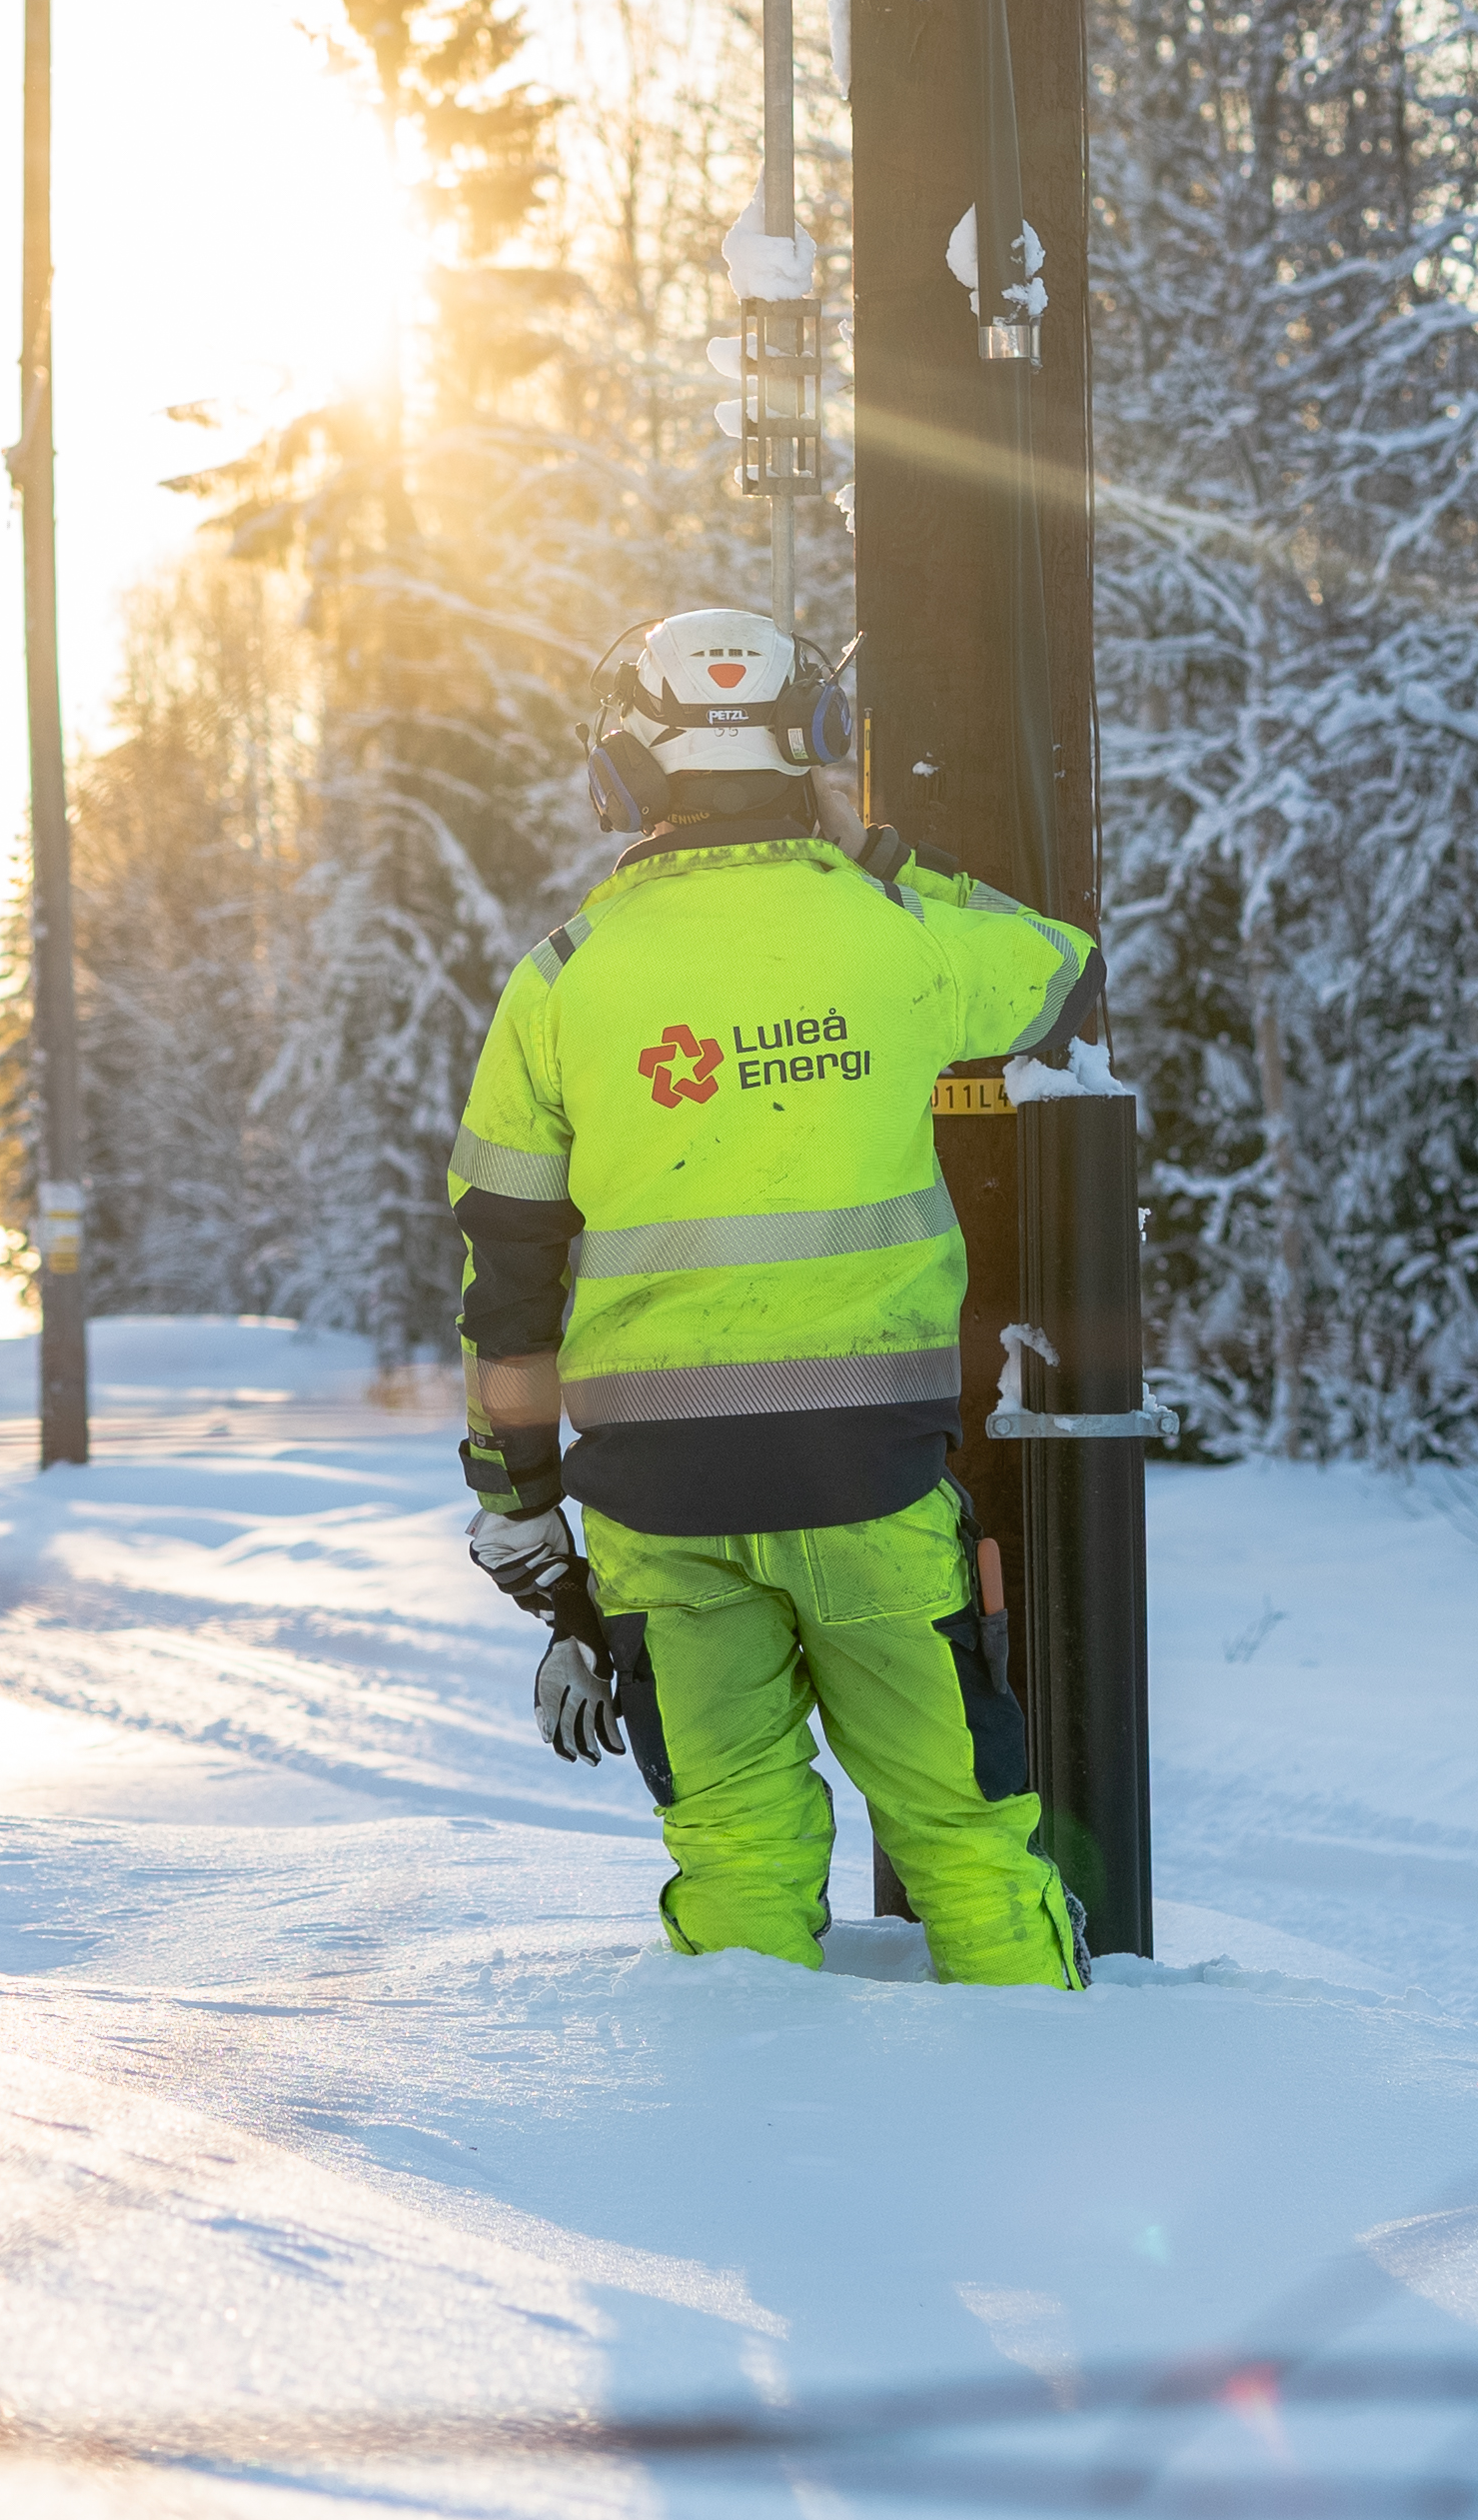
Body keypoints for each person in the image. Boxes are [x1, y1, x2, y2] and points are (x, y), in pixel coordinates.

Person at [448, 607, 1102, 1988]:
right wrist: (867, 848)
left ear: (618, 769)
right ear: (818, 744)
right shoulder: (892, 933)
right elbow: (1057, 969)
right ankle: (1043, 2118)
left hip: (654, 1507)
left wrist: (518, 1502)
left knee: (735, 1844)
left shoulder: (561, 979)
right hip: (868, 1479)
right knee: (966, 1839)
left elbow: (500, 1277)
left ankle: (753, 2142)